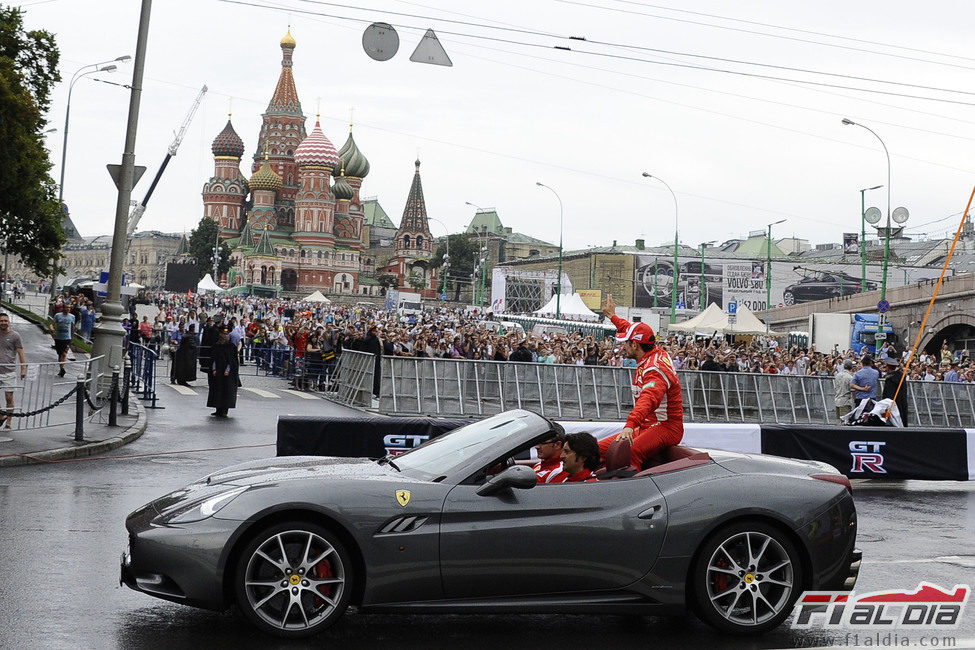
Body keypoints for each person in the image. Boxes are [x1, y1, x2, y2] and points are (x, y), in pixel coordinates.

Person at [598, 294, 683, 469]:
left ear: (635, 345)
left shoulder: (655, 369)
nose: (623, 347)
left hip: (667, 426)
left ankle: (633, 492)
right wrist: (612, 316)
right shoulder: (650, 348)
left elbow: (648, 400)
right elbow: (631, 329)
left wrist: (630, 425)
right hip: (647, 424)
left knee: (629, 452)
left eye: (626, 343)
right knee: (598, 449)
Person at [206, 324, 240, 417]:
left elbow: (232, 361)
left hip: (227, 373)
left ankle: (225, 410)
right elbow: (213, 359)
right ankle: (218, 409)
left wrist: (228, 370)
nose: (225, 335)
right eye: (223, 333)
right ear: (220, 334)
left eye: (226, 333)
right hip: (218, 372)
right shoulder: (216, 345)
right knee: (217, 390)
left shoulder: (231, 347)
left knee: (227, 390)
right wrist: (214, 369)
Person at [0, 313, 26, 430]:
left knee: (8, 397)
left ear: (9, 322)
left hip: (9, 371)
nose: (3, 323)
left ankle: (8, 421)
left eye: (5, 320)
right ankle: (2, 415)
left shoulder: (15, 335)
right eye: (1, 321)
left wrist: (23, 368)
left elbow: (20, 353)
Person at [881, 357, 909, 426]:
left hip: (892, 404)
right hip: (901, 402)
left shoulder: (890, 379)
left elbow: (888, 394)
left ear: (888, 367)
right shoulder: (901, 376)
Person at [50, 303, 75, 378]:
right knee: (60, 354)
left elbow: (72, 328)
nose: (68, 309)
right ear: (63, 308)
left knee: (64, 354)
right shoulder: (58, 315)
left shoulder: (72, 317)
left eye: (69, 308)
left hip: (67, 338)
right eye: (67, 307)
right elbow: (52, 324)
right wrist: (51, 328)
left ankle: (63, 369)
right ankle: (61, 369)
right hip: (58, 338)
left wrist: (72, 338)